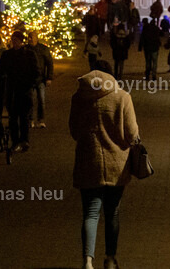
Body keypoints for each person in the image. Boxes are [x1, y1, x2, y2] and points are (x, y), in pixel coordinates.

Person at [70, 59, 140, 269]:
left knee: (90, 213)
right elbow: (132, 134)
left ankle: (87, 261)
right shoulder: (122, 97)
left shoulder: (79, 98)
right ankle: (110, 259)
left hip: (88, 161)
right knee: (112, 212)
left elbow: (74, 131)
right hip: (116, 164)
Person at [0, 31, 39, 152]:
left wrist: (30, 84)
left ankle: (24, 140)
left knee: (24, 117)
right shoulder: (7, 55)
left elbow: (35, 71)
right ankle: (15, 141)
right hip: (11, 90)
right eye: (13, 40)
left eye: (16, 40)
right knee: (12, 117)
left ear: (21, 41)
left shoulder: (29, 54)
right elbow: (0, 71)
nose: (14, 42)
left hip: (24, 89)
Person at [27, 31, 54, 128]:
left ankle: (41, 119)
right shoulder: (25, 49)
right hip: (29, 79)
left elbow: (49, 63)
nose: (30, 39)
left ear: (36, 38)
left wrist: (49, 77)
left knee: (41, 100)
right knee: (30, 100)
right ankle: (31, 119)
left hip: (40, 78)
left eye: (32, 37)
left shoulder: (43, 49)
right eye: (29, 37)